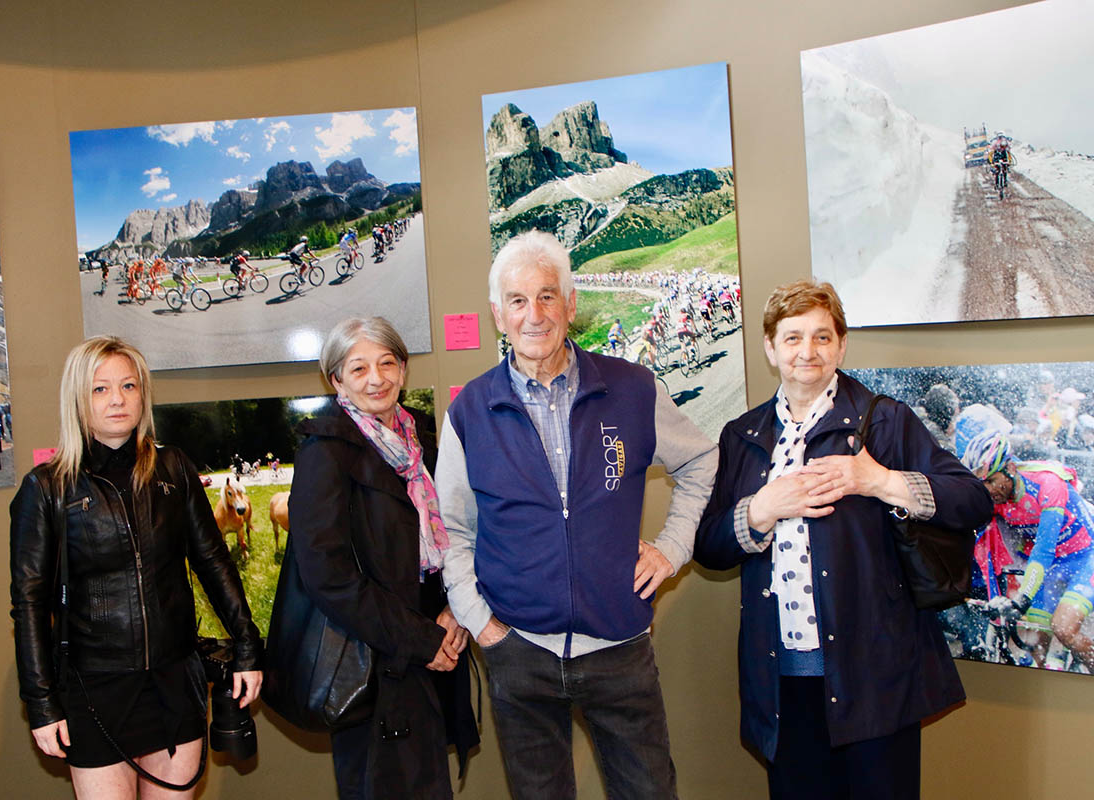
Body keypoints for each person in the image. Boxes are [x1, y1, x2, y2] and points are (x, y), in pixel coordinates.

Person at [437, 230, 717, 798]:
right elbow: (452, 530)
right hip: (519, 650)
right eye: (518, 301)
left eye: (547, 296)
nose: (534, 315)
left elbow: (702, 460)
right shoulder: (469, 411)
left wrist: (672, 549)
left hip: (620, 647)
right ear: (498, 314)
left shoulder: (632, 388)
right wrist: (481, 623)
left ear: (570, 304)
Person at [693, 279, 992, 799]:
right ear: (770, 348)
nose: (807, 351)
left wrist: (878, 481)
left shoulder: (885, 421)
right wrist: (760, 510)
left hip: (874, 678)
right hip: (782, 681)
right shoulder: (742, 435)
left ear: (841, 345)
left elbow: (973, 500)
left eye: (822, 337)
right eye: (792, 338)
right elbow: (709, 548)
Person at [9, 336, 262, 799]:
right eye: (100, 388)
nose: (117, 399)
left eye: (128, 385)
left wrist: (248, 646)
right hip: (95, 692)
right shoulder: (47, 488)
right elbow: (29, 605)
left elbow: (212, 560)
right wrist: (41, 702)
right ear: (77, 398)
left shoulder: (173, 468)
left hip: (174, 683)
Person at [278, 317, 478, 799]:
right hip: (373, 660)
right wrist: (420, 640)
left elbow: (459, 533)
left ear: (403, 370)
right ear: (337, 380)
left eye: (387, 363)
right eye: (359, 367)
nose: (376, 379)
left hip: (435, 645)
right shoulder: (324, 452)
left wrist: (456, 612)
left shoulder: (423, 443)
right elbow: (328, 576)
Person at [961, 430, 1094, 670]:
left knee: (1064, 628)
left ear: (1010, 468)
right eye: (982, 484)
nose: (988, 490)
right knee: (1035, 639)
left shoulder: (1048, 483)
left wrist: (1022, 599)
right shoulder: (995, 499)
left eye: (991, 481)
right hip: (1054, 565)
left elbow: (1043, 550)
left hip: (1086, 557)